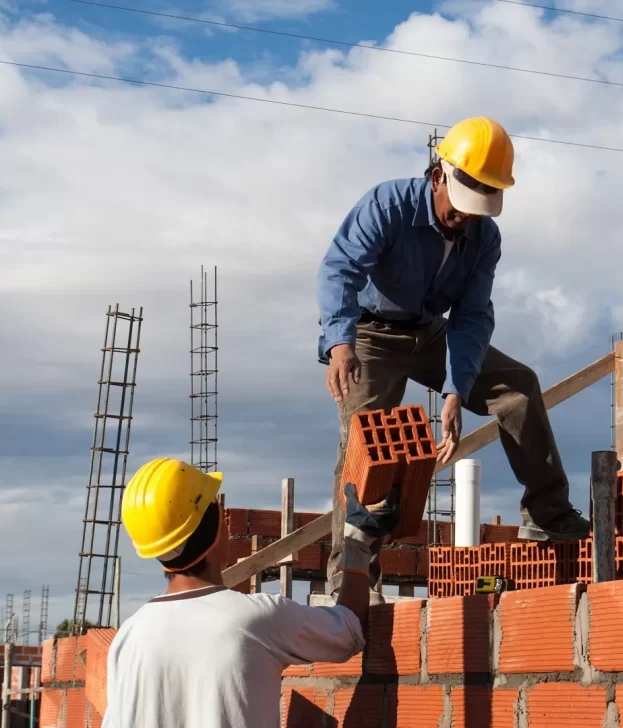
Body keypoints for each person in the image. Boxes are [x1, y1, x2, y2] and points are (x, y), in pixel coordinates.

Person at [317, 116, 591, 598]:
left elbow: (472, 318)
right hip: (371, 336)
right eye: (463, 204)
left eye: (480, 206)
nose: (466, 217)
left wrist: (454, 391)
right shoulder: (388, 205)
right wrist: (340, 343)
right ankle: (352, 577)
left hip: (431, 332)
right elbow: (339, 270)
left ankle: (547, 515)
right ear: (439, 175)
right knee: (369, 444)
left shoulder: (484, 239)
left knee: (518, 387)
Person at [102, 457, 400, 728]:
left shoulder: (128, 638)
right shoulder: (253, 620)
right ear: (216, 528)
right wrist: (357, 544)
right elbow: (349, 630)